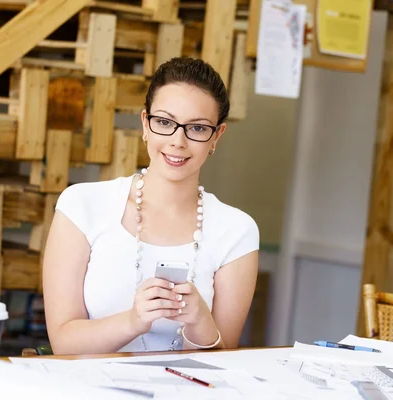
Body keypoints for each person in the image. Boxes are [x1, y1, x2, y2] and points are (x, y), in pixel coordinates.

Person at [42, 57, 260, 355]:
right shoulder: (81, 205)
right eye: (165, 123)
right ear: (145, 124)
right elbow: (63, 343)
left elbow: (223, 359)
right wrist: (133, 321)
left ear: (216, 137)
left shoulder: (237, 231)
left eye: (197, 128)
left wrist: (199, 320)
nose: (177, 141)